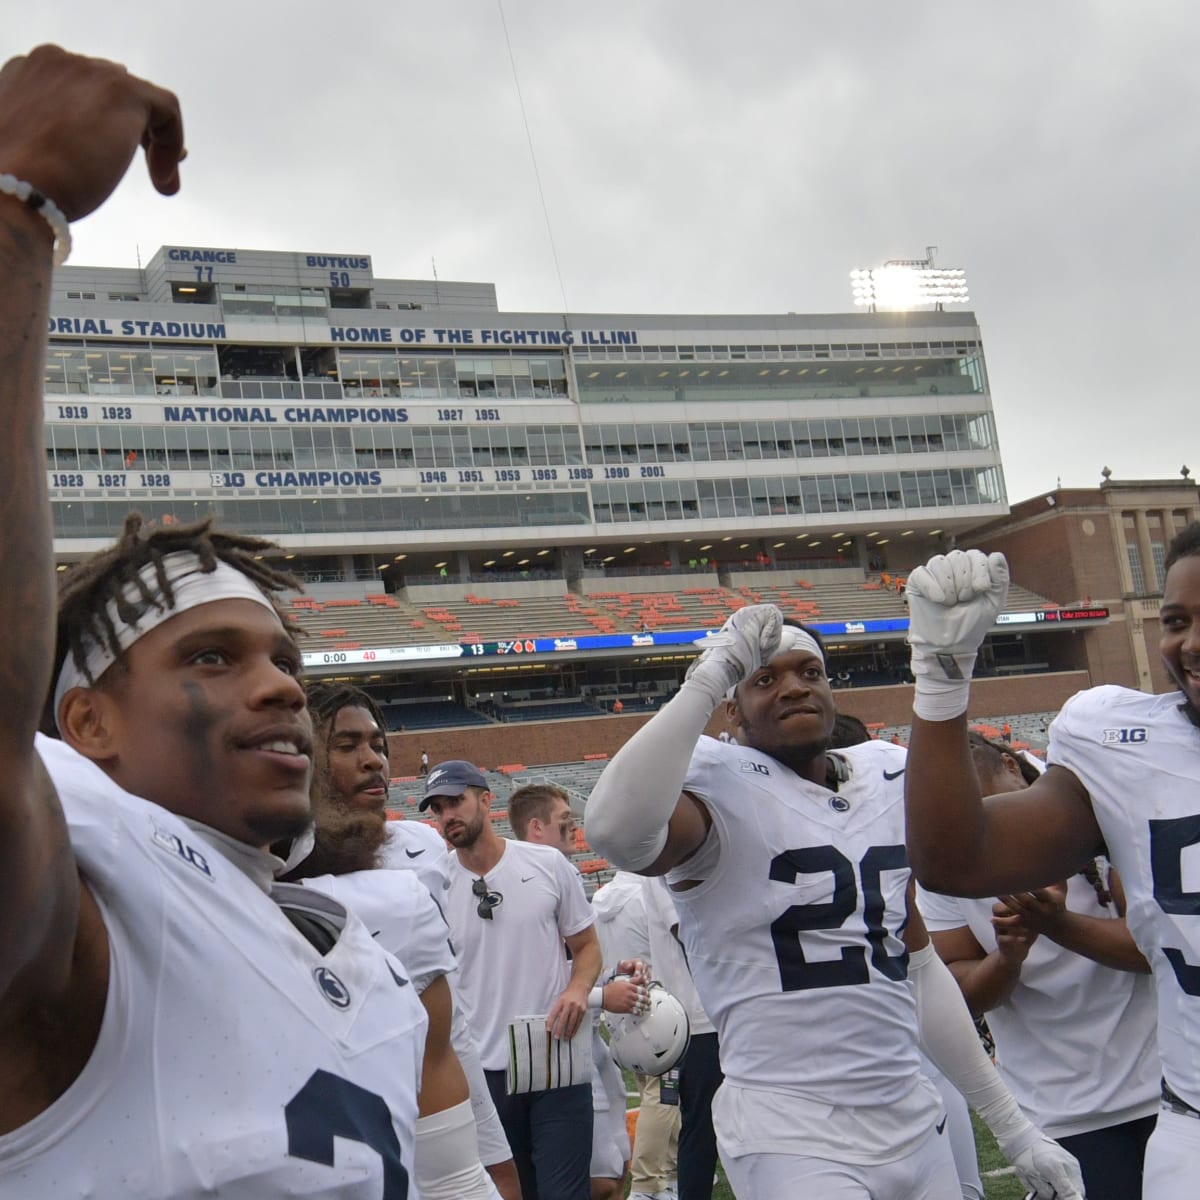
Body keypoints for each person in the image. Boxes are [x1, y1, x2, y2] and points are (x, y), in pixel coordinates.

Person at [0, 46, 424, 1196]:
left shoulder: (352, 956)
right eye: (210, 656)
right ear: (84, 722)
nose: (284, 685)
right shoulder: (84, 913)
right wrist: (18, 207)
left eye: (283, 657)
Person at [585, 607, 1084, 1199]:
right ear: (732, 708)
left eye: (810, 671)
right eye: (765, 679)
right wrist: (709, 674)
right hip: (788, 1131)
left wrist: (1015, 1129)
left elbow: (920, 974)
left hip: (910, 1116)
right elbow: (615, 830)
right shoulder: (714, 785)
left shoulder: (884, 774)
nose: (794, 686)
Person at [901, 538, 1200, 1196]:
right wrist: (943, 677)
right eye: (1176, 621)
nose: (1192, 643)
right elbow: (952, 860)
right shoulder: (1125, 746)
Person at [286, 682, 510, 1200]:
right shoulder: (269, 868)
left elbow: (446, 1037)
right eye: (346, 746)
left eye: (378, 745)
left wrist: (489, 1154)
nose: (373, 761)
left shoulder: (420, 849)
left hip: (433, 1102)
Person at [918, 732, 1159, 1199]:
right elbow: (964, 993)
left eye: (995, 809)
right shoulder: (944, 865)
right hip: (1059, 1109)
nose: (998, 832)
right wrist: (1010, 954)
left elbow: (1152, 951)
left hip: (1169, 1090)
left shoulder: (1104, 822)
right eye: (977, 825)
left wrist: (1058, 923)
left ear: (1012, 767)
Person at [424, 762, 602, 1200]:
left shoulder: (547, 865)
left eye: (457, 801)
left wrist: (578, 989)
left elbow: (587, 946)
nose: (448, 815)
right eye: (439, 808)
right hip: (481, 1072)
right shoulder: (432, 882)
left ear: (486, 800)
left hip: (554, 1058)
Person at [509, 782, 647, 1200]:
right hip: (556, 1048)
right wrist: (605, 996)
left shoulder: (559, 874)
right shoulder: (530, 880)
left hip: (584, 1043)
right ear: (536, 828)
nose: (574, 829)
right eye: (563, 822)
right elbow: (537, 983)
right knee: (598, 1180)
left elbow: (570, 966)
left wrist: (609, 976)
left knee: (615, 1168)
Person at [592, 872, 680, 1200]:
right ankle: (648, 1182)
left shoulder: (602, 901)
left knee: (654, 1095)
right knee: (664, 1095)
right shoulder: (648, 896)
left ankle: (664, 1175)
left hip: (620, 1014)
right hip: (657, 1010)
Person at [641, 875, 722, 1200]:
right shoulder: (662, 873)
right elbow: (688, 933)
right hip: (699, 1021)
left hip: (692, 1019)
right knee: (699, 1126)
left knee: (698, 1122)